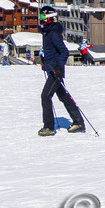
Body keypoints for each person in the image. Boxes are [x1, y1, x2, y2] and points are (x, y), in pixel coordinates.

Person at [37, 7, 85, 136]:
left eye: (42, 17)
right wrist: (45, 61)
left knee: (45, 96)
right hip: (52, 69)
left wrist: (57, 67)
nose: (40, 20)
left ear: (49, 17)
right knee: (63, 96)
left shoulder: (53, 33)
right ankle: (78, 122)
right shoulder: (47, 32)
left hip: (55, 71)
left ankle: (49, 127)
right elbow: (52, 52)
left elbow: (64, 52)